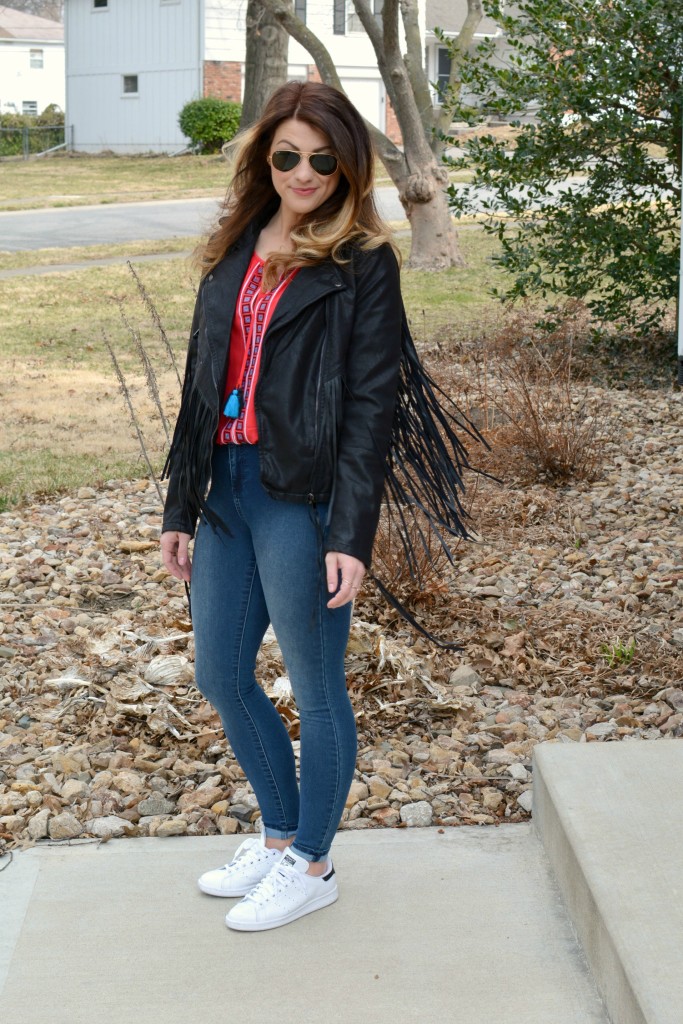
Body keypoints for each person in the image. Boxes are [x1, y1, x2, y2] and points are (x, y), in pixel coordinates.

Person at [160, 81, 404, 932]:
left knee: (315, 685)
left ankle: (313, 860)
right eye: (286, 156)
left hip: (301, 497)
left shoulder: (362, 260)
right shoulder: (238, 246)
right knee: (221, 675)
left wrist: (350, 532)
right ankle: (276, 839)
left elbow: (373, 406)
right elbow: (202, 384)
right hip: (226, 489)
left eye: (321, 159)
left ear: (347, 163)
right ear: (264, 159)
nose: (303, 173)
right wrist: (178, 505)